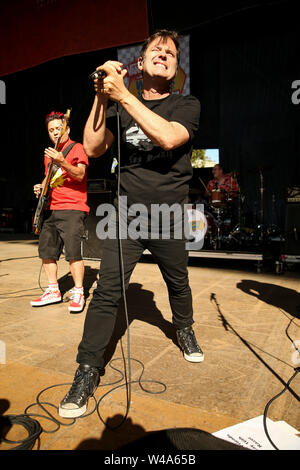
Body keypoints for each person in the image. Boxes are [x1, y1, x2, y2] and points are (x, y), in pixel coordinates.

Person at [58, 30, 203, 418]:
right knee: (107, 292)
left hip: (169, 214)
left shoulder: (187, 104)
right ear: (140, 63)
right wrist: (103, 93)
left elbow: (170, 139)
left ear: (175, 67)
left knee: (178, 282)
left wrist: (123, 95)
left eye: (171, 53)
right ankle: (86, 370)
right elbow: (90, 147)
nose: (164, 55)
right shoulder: (120, 106)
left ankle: (184, 328)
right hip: (127, 215)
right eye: (156, 50)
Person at [31, 111, 89, 313]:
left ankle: (79, 291)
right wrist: (41, 186)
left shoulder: (77, 148)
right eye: (51, 130)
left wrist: (62, 160)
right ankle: (53, 290)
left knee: (73, 252)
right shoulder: (48, 155)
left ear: (67, 129)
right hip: (51, 208)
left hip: (73, 207)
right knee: (47, 252)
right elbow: (52, 179)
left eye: (58, 129)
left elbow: (80, 174)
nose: (55, 133)